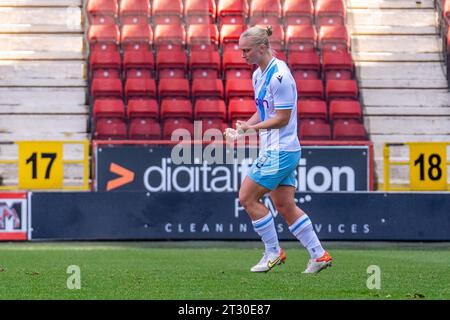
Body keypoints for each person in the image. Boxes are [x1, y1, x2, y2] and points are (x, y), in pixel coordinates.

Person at [224, 25, 332, 274]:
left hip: (280, 151)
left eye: (246, 50)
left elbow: (282, 118)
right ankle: (319, 254)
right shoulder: (258, 75)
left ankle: (273, 252)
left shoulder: (279, 76)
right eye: (241, 51)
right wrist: (244, 128)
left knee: (247, 197)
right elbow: (265, 110)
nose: (243, 56)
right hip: (280, 149)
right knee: (284, 205)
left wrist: (254, 129)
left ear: (262, 48)